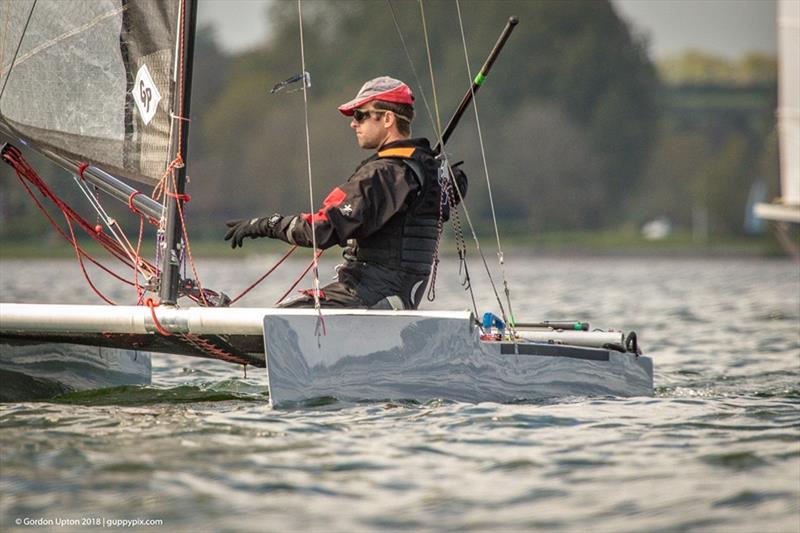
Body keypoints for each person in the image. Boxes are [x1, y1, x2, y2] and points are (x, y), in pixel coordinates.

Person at [224, 76, 466, 309]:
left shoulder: (383, 174)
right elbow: (457, 186)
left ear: (388, 119)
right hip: (396, 298)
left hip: (367, 297)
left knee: (274, 319)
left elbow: (320, 230)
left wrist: (264, 225)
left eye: (360, 115)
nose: (353, 123)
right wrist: (426, 164)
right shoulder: (431, 171)